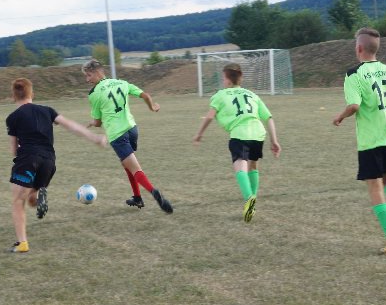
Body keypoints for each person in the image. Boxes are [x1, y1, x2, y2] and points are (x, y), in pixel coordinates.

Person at [333, 27, 386, 254]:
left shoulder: (354, 74)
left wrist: (340, 116)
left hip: (371, 140)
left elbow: (354, 106)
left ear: (359, 48)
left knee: (375, 186)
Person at [6, 78, 107, 253]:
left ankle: (22, 243)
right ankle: (38, 194)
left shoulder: (13, 118)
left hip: (28, 160)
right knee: (30, 198)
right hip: (48, 162)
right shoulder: (48, 111)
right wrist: (95, 138)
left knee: (18, 201)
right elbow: (71, 126)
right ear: (32, 94)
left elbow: (14, 150)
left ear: (13, 96)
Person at [192, 63, 281, 222]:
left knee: (240, 167)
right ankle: (253, 199)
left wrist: (199, 134)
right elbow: (269, 117)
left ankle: (249, 199)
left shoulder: (220, 95)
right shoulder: (252, 94)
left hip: (239, 134)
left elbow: (210, 116)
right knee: (253, 166)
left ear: (227, 79)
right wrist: (274, 141)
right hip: (258, 133)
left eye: (223, 78)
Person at [82, 59, 173, 214]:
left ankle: (154, 192)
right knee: (127, 165)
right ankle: (137, 198)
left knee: (135, 168)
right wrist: (152, 107)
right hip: (132, 129)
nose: (87, 79)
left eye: (89, 75)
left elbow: (98, 122)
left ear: (97, 72)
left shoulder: (94, 94)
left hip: (117, 135)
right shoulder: (122, 83)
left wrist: (92, 123)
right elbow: (145, 95)